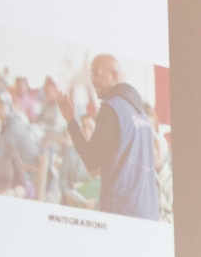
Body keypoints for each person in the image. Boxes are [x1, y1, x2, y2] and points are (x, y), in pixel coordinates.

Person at [52, 55, 160, 219]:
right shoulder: (143, 117)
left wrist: (71, 121)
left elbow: (91, 161)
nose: (93, 81)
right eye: (91, 75)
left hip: (120, 212)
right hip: (149, 213)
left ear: (115, 75)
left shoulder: (112, 109)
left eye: (97, 74)